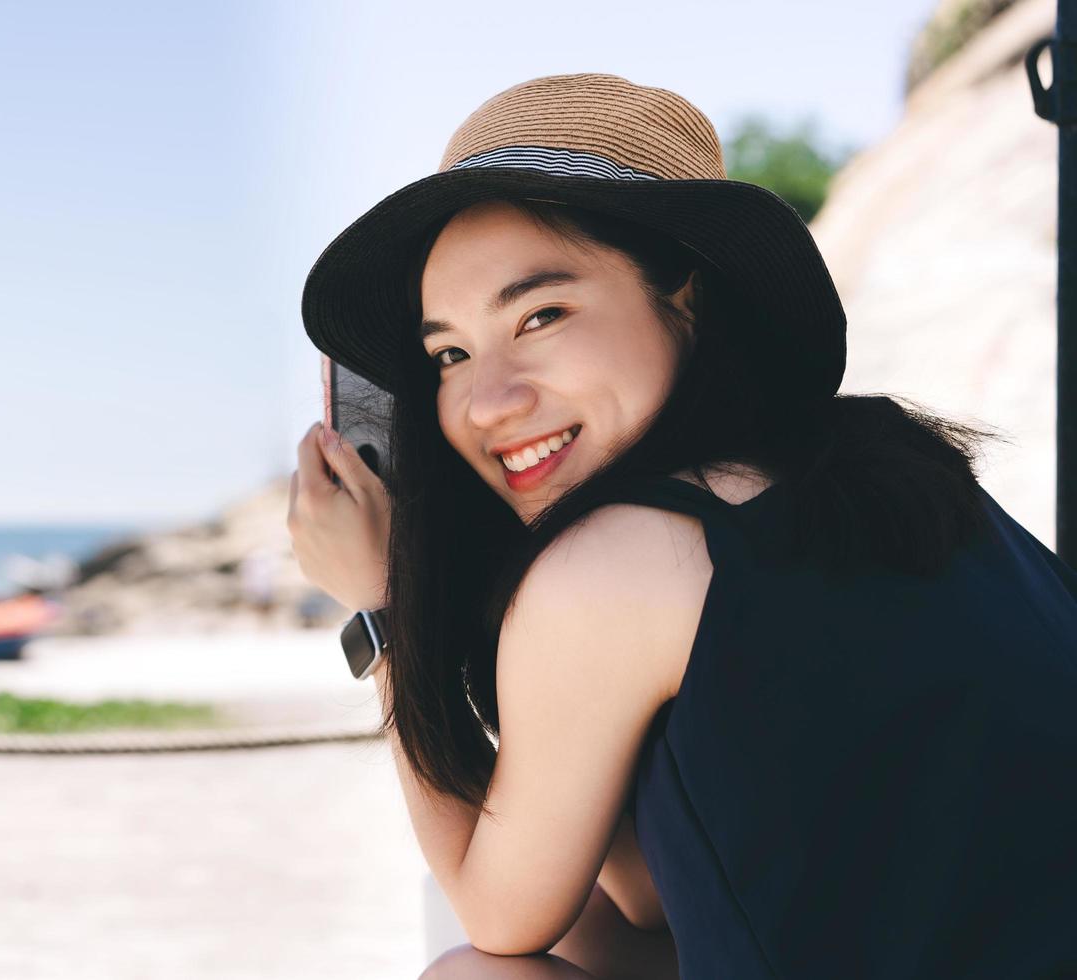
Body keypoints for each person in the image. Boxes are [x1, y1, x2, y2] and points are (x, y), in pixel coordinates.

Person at [287, 73, 1077, 979]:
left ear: (688, 298)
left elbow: (500, 916)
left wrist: (383, 610)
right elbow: (648, 900)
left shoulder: (623, 560)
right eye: (451, 355)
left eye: (541, 314)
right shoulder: (896, 475)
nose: (488, 403)